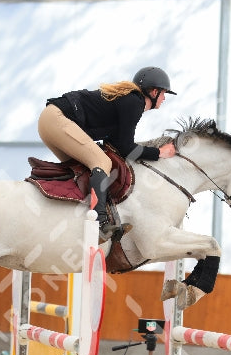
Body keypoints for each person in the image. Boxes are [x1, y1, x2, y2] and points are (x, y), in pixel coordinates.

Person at [38, 66, 177, 241]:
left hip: (50, 120)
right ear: (154, 91)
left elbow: (117, 144)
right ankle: (99, 222)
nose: (164, 98)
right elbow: (127, 148)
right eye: (164, 93)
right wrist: (159, 153)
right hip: (57, 119)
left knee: (84, 169)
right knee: (102, 162)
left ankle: (68, 217)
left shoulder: (130, 101)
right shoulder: (135, 102)